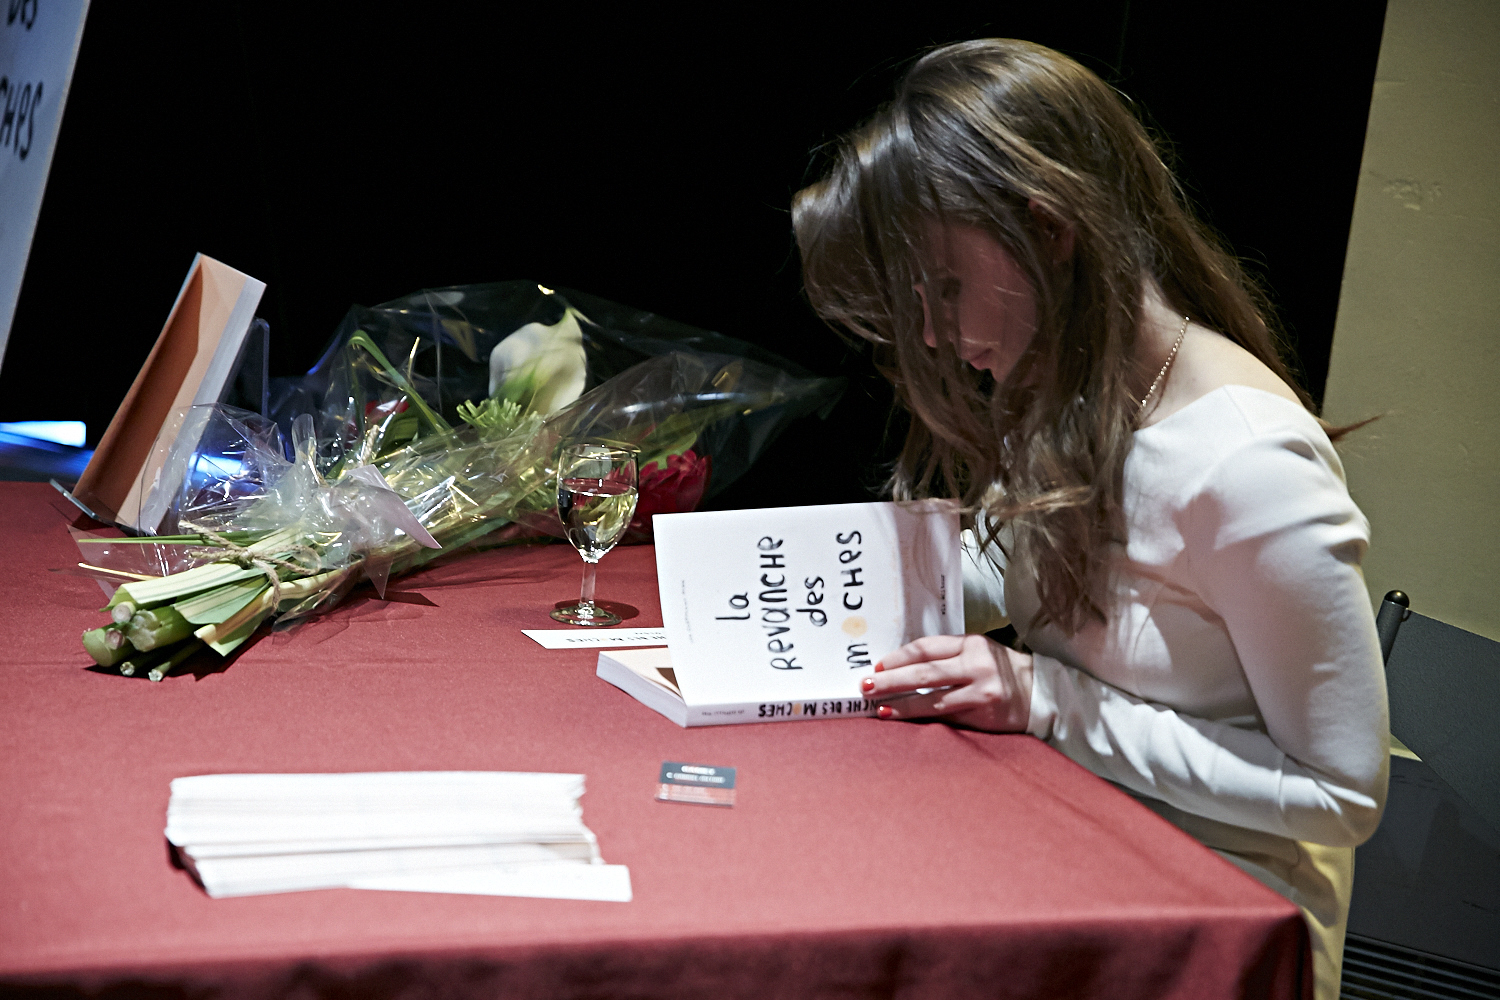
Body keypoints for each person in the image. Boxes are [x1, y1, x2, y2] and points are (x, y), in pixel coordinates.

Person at [792, 39, 1388, 1000]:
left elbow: (1339, 795)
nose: (936, 335)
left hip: (1205, 933)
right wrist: (810, 577)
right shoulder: (1075, 383)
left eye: (944, 287)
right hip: (1061, 851)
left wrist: (1041, 699)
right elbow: (1032, 569)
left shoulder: (1247, 464)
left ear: (1050, 228)